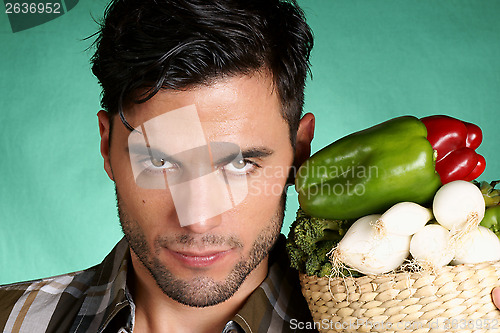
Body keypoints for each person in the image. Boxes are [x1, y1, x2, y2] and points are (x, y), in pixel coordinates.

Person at [0, 1, 499, 332]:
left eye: (240, 163)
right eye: (160, 160)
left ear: (299, 153)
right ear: (108, 147)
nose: (198, 218)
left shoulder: (402, 323)